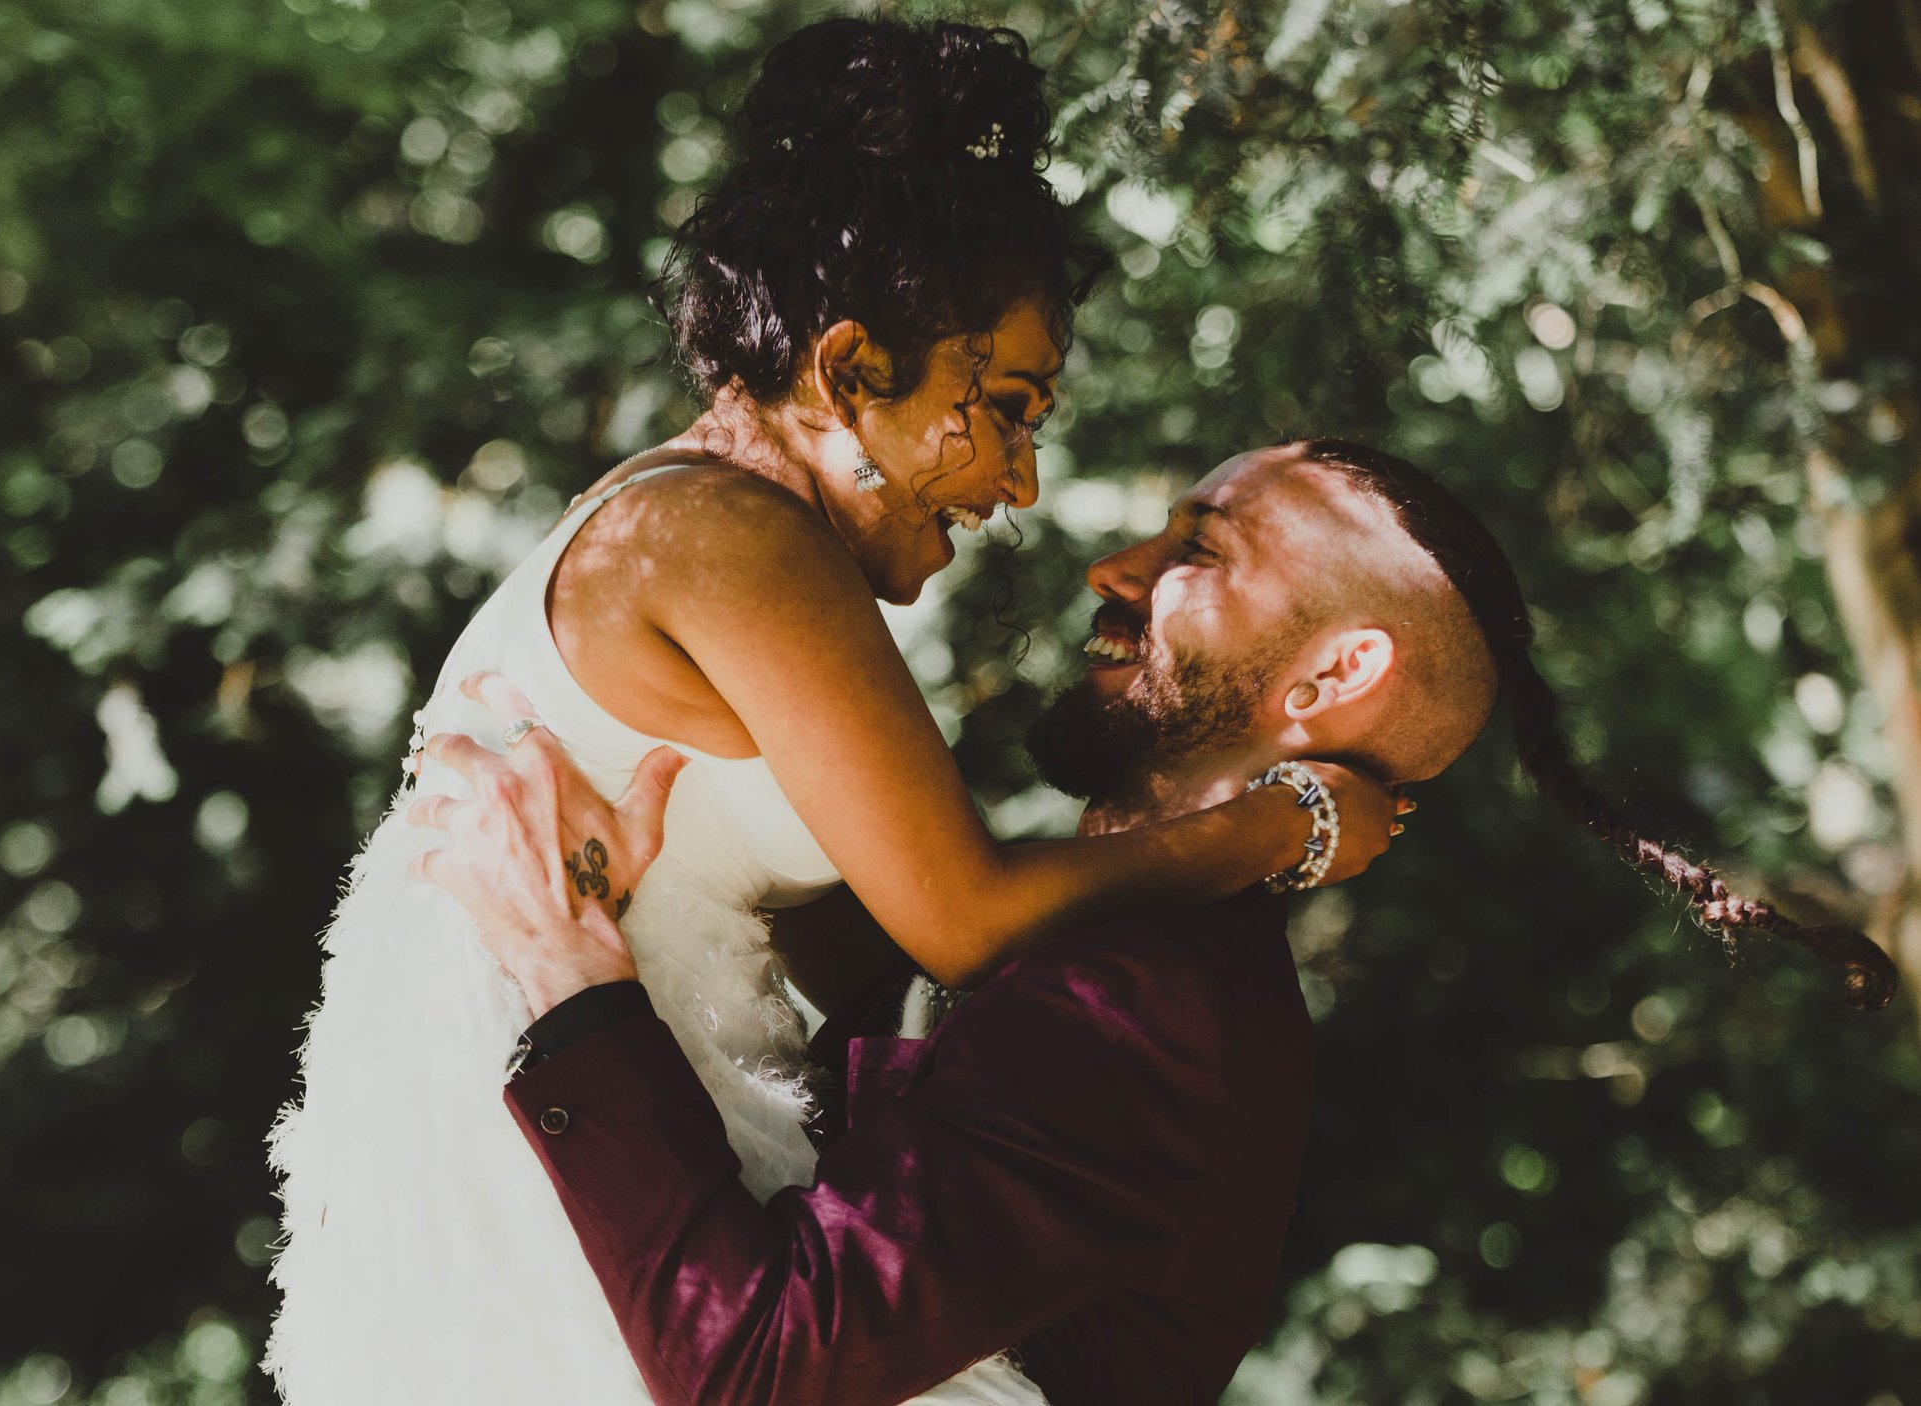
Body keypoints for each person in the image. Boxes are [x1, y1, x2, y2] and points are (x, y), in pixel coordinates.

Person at [261, 20, 1405, 1406]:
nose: (1022, 480)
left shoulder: (695, 528)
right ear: (853, 369)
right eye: (1003, 406)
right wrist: (1277, 828)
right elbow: (963, 915)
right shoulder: (722, 540)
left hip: (573, 1141)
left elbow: (888, 968)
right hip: (559, 1166)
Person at [411, 439, 1900, 1406]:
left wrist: (563, 972)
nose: (1112, 572)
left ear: (1331, 677)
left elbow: (751, 1358)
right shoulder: (1092, 930)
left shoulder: (1155, 1002)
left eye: (1198, 550)